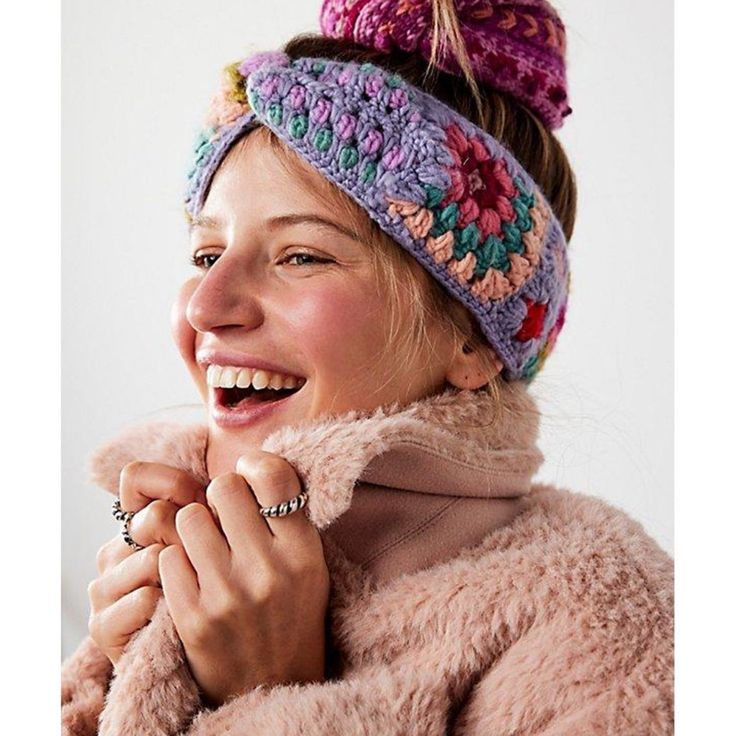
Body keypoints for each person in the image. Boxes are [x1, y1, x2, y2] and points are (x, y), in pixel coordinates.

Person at [61, 1, 673, 734]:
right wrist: (111, 675)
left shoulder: (609, 624)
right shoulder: (167, 556)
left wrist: (271, 691)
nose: (206, 307)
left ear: (471, 339)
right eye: (204, 254)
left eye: (301, 256)